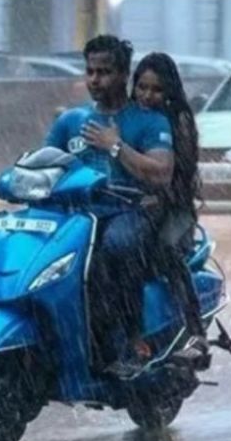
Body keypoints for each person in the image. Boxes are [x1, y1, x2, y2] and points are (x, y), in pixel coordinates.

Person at [44, 35, 174, 376]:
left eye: (104, 72)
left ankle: (130, 342)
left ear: (123, 75)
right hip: (78, 217)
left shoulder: (148, 121)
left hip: (130, 214)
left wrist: (116, 147)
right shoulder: (71, 121)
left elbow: (161, 172)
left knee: (111, 250)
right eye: (89, 71)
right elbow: (42, 162)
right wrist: (1, 178)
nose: (94, 80)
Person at [130, 52, 209, 358]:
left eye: (156, 90)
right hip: (132, 207)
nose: (148, 96)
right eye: (142, 87)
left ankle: (194, 330)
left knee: (163, 250)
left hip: (174, 210)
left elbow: (180, 173)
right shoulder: (128, 117)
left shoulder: (179, 121)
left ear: (169, 91)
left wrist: (157, 196)